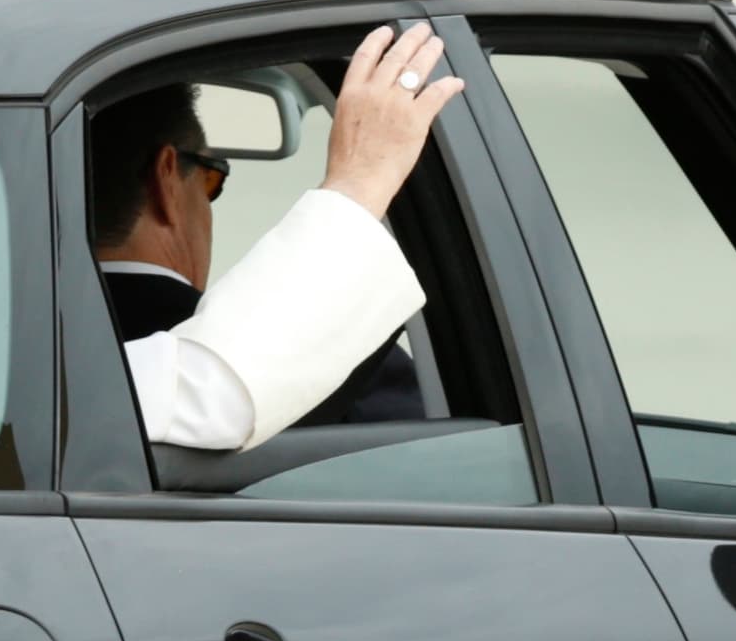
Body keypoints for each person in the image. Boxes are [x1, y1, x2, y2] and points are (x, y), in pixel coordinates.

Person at [89, 23, 466, 452]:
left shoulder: (13, 373)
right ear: (167, 178)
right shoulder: (345, 364)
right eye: (214, 179)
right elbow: (213, 396)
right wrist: (361, 179)